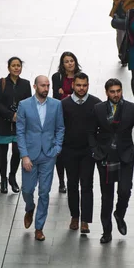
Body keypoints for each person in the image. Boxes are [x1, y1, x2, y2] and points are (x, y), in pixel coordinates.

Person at [89, 79, 134, 244]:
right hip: (105, 156)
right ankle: (107, 231)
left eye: (118, 91)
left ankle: (119, 214)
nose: (115, 94)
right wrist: (94, 150)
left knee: (125, 190)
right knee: (106, 196)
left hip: (126, 156)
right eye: (112, 91)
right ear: (106, 92)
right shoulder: (98, 109)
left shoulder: (132, 109)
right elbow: (91, 131)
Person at [16, 75, 65, 242]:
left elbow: (60, 128)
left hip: (48, 155)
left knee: (44, 192)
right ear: (35, 86)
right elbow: (20, 132)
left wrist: (57, 148)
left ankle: (39, 227)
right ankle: (30, 208)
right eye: (43, 85)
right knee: (28, 190)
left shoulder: (56, 105)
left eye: (48, 85)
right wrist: (24, 156)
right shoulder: (24, 105)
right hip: (29, 154)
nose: (46, 88)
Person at [61, 72, 101, 233]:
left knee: (87, 184)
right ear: (73, 85)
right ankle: (74, 217)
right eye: (78, 85)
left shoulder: (96, 104)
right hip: (69, 150)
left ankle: (85, 220)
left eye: (84, 85)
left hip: (87, 151)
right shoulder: (63, 105)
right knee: (72, 184)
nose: (81, 88)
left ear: (88, 85)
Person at [0, 57, 32, 194]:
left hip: (19, 124)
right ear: (8, 68)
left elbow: (28, 103)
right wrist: (10, 115)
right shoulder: (1, 82)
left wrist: (19, 116)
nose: (16, 68)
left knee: (17, 151)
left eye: (18, 65)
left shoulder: (26, 84)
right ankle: (3, 179)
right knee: (2, 152)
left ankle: (12, 177)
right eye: (13, 65)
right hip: (3, 122)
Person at [51, 51, 82, 194]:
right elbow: (56, 97)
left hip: (75, 117)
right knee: (60, 150)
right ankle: (62, 181)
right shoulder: (57, 77)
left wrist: (65, 94)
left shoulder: (80, 76)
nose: (70, 63)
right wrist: (68, 95)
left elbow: (80, 95)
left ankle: (72, 178)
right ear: (62, 64)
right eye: (66, 61)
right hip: (60, 116)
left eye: (72, 60)